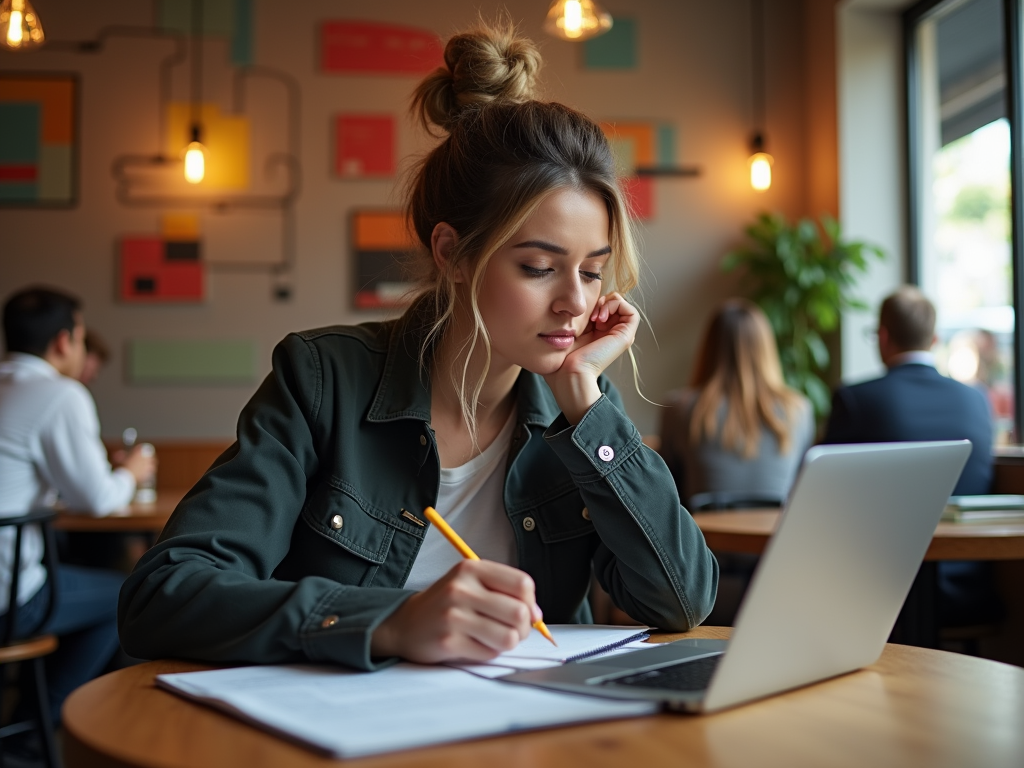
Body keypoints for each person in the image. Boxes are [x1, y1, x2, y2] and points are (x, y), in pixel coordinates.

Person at [118, 21, 718, 670]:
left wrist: (586, 398)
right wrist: (392, 622)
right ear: (453, 253)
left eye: (593, 269)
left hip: (529, 729)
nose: (576, 302)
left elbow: (682, 602)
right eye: (540, 267)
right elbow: (164, 596)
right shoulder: (324, 380)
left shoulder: (577, 413)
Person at [0, 286, 157, 725]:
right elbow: (98, 499)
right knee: (129, 595)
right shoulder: (59, 395)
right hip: (7, 601)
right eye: (83, 338)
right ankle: (40, 733)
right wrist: (134, 471)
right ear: (64, 342)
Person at [822, 285, 999, 626]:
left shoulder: (856, 400)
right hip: (967, 586)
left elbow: (822, 500)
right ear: (934, 340)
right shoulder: (976, 400)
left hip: (879, 593)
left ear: (883, 337)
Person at [659, 299, 815, 506]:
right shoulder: (800, 409)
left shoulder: (678, 408)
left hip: (704, 537)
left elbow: (667, 489)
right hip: (776, 537)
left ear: (709, 348)